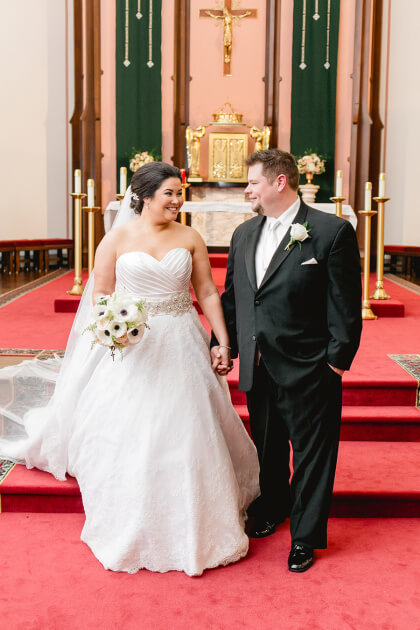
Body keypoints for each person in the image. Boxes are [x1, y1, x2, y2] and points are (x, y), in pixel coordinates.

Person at [0, 162, 260, 576]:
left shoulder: (189, 237)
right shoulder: (116, 239)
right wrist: (113, 329)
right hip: (131, 348)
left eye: (180, 193)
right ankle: (132, 511)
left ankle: (197, 514)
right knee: (133, 427)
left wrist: (222, 341)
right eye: (169, 194)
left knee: (189, 426)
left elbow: (208, 291)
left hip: (181, 341)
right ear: (144, 196)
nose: (177, 201)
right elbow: (100, 296)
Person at [211, 149, 362, 572]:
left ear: (280, 182)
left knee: (313, 456)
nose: (247, 191)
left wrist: (335, 362)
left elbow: (346, 305)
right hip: (259, 364)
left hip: (311, 365)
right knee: (268, 448)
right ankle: (272, 508)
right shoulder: (243, 234)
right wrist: (226, 345)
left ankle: (305, 537)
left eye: (253, 183)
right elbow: (236, 297)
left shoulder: (330, 231)